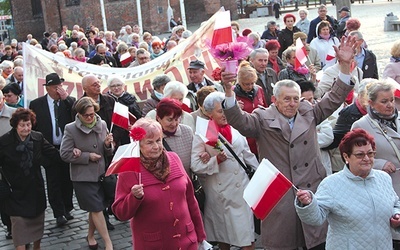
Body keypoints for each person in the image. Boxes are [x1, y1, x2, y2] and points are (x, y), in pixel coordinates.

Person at [220, 36, 357, 250]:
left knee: (317, 243)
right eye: (287, 99)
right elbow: (239, 121)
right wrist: (228, 91)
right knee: (285, 244)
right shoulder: (261, 118)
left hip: (311, 191)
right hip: (280, 196)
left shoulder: (309, 112)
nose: (292, 103)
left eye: (296, 98)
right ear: (274, 100)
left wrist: (345, 66)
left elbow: (334, 98)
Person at [295, 128, 400, 250]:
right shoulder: (331, 184)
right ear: (346, 156)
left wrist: (397, 214)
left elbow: (395, 203)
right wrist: (308, 203)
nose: (367, 158)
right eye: (360, 154)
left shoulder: (384, 178)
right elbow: (315, 219)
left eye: (370, 153)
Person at [112, 118, 206, 249]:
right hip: (154, 244)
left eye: (158, 140)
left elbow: (191, 200)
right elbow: (121, 213)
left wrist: (200, 235)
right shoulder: (130, 170)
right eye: (149, 143)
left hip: (187, 241)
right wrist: (134, 197)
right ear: (138, 144)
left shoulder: (174, 158)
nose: (156, 147)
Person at [191, 92, 259, 250]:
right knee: (224, 237)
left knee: (247, 238)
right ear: (209, 113)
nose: (225, 114)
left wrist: (257, 176)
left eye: (225, 110)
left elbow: (247, 155)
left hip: (242, 189)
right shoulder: (202, 133)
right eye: (220, 111)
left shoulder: (235, 127)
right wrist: (215, 161)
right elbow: (195, 165)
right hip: (220, 194)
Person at [0, 108, 60, 249]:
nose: (26, 128)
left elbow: (54, 154)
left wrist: (73, 153)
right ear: (15, 125)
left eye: (28, 124)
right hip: (15, 192)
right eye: (22, 125)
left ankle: (36, 247)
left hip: (34, 189)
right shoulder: (4, 141)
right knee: (19, 228)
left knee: (36, 225)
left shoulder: (37, 138)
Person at [60, 97, 114, 250]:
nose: (90, 117)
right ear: (79, 114)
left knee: (95, 208)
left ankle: (90, 236)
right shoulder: (70, 129)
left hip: (101, 174)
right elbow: (64, 154)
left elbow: (107, 151)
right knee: (96, 208)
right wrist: (86, 156)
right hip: (82, 177)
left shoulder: (102, 124)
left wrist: (108, 145)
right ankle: (107, 242)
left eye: (92, 114)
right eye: (86, 115)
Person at [29, 73, 75, 227]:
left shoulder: (68, 102)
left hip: (66, 146)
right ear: (47, 88)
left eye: (60, 86)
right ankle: (58, 212)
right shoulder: (37, 104)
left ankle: (67, 208)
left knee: (67, 180)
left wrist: (66, 99)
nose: (58, 90)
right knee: (53, 180)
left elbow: (76, 113)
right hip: (48, 148)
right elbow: (34, 127)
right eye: (55, 87)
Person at [324, 78, 375, 172]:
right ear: (360, 95)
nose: (370, 101)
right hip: (350, 164)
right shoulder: (349, 113)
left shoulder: (378, 113)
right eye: (368, 97)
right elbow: (336, 138)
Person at [234, 61, 267, 156]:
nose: (250, 86)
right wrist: (236, 109)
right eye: (246, 84)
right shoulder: (233, 94)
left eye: (252, 83)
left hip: (260, 134)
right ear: (239, 82)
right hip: (244, 136)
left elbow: (266, 108)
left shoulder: (259, 89)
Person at [0, 90, 16, 240]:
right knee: (2, 198)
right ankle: (9, 226)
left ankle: (19, 226)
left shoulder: (14, 113)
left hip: (13, 163)